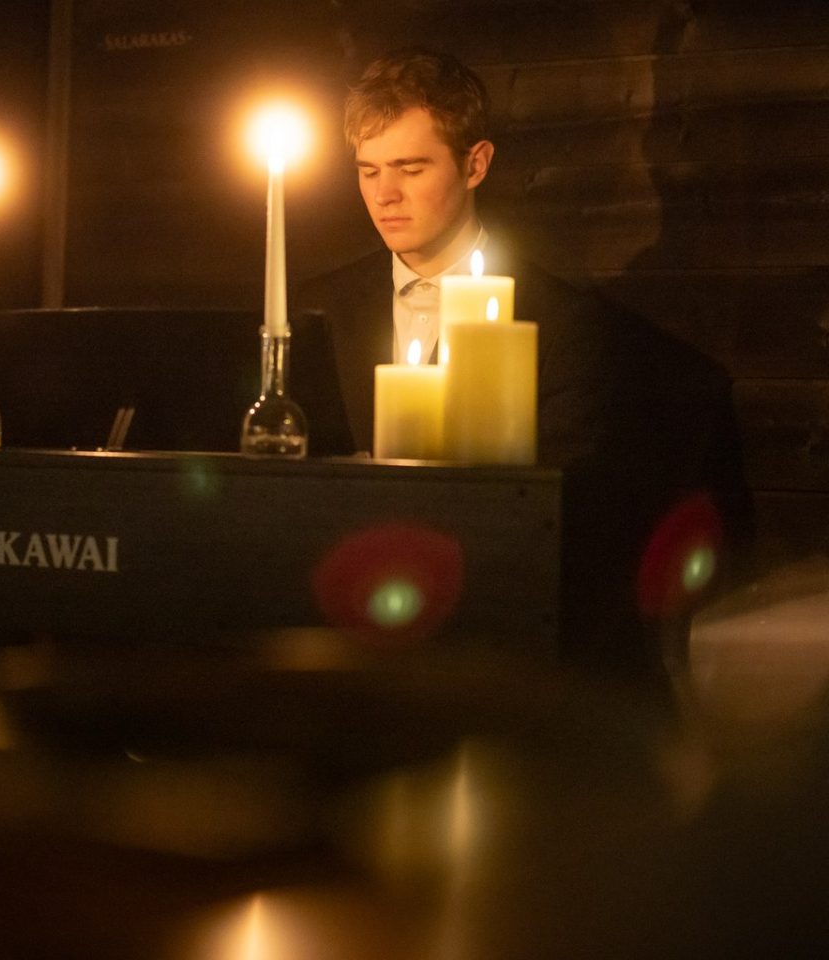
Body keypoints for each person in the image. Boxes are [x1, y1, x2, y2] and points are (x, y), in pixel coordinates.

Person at [296, 47, 753, 676]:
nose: (385, 195)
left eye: (410, 167)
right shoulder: (314, 310)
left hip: (501, 654)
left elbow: (563, 518)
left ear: (475, 163)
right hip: (342, 646)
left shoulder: (562, 322)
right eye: (368, 170)